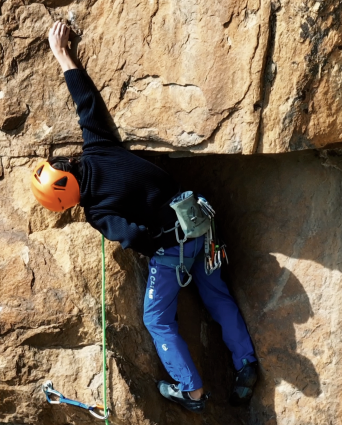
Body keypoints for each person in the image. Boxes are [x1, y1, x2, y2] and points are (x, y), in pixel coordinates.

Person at [30, 21, 260, 413]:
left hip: (173, 247)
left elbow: (135, 237)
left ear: (66, 201)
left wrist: (162, 247)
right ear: (67, 167)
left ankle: (191, 391)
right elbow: (86, 102)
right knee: (216, 295)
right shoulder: (99, 146)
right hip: (200, 221)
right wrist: (63, 55)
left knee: (157, 320)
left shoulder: (97, 212)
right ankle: (246, 364)